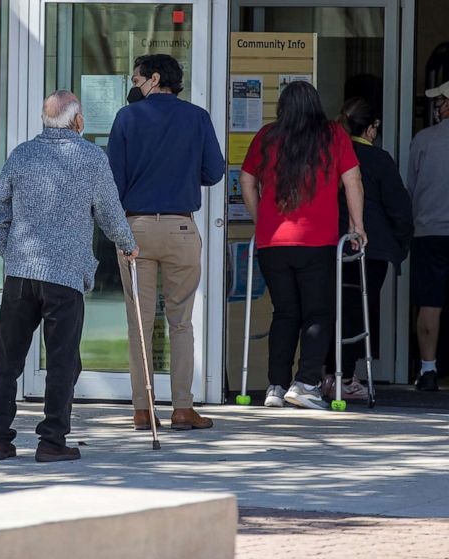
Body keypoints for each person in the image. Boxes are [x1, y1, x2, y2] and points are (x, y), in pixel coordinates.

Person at [0, 90, 137, 462]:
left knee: (8, 359)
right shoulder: (90, 158)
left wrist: (15, 256)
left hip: (21, 276)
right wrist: (128, 243)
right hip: (64, 276)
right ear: (79, 121)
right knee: (63, 360)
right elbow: (110, 212)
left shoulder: (22, 154)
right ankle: (52, 441)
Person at [107, 54, 224, 431]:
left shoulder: (127, 118)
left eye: (137, 77)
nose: (134, 84)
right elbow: (215, 171)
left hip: (135, 228)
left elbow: (114, 180)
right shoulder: (197, 117)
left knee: (138, 324)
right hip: (181, 229)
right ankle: (182, 408)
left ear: (154, 78)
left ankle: (143, 410)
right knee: (181, 323)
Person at [240, 81, 366, 410]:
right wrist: (357, 225)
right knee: (318, 313)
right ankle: (307, 383)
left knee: (284, 314)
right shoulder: (334, 135)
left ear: (283, 107)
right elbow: (353, 178)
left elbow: (246, 179)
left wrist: (260, 218)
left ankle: (276, 387)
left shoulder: (267, 136)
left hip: (273, 243)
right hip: (317, 242)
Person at [322, 98, 412, 400]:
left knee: (331, 309)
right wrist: (401, 245)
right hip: (368, 246)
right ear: (372, 129)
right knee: (358, 311)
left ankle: (325, 374)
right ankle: (345, 377)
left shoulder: (329, 154)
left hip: (329, 242)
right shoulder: (378, 159)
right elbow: (398, 207)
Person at [407, 80, 449, 391]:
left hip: (429, 233)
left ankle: (428, 370)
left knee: (430, 303)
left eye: (441, 100)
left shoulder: (423, 140)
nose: (437, 105)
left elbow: (410, 189)